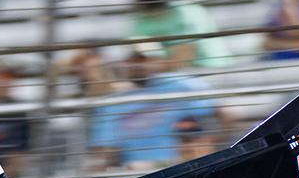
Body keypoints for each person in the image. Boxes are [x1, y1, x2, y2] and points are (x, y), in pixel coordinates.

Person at [88, 43, 220, 171]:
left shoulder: (181, 85)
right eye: (132, 61)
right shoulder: (114, 103)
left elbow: (221, 116)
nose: (138, 66)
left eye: (144, 59)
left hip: (181, 166)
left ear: (157, 60)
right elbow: (106, 149)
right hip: (136, 173)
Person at [131, 0, 232, 69]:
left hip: (207, 69)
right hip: (167, 74)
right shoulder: (142, 20)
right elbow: (140, 54)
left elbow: (184, 59)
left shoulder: (187, 13)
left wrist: (149, 66)